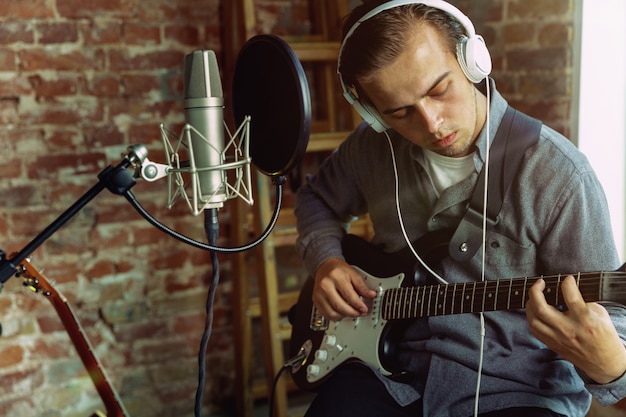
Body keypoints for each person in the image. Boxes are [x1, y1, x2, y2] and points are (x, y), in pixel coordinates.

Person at [293, 1, 626, 416]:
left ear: (473, 60)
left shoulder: (561, 175)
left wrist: (612, 368)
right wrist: (326, 261)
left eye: (438, 90)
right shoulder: (372, 148)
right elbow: (316, 199)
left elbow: (612, 319)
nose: (432, 124)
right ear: (372, 113)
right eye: (399, 112)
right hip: (393, 375)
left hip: (517, 390)